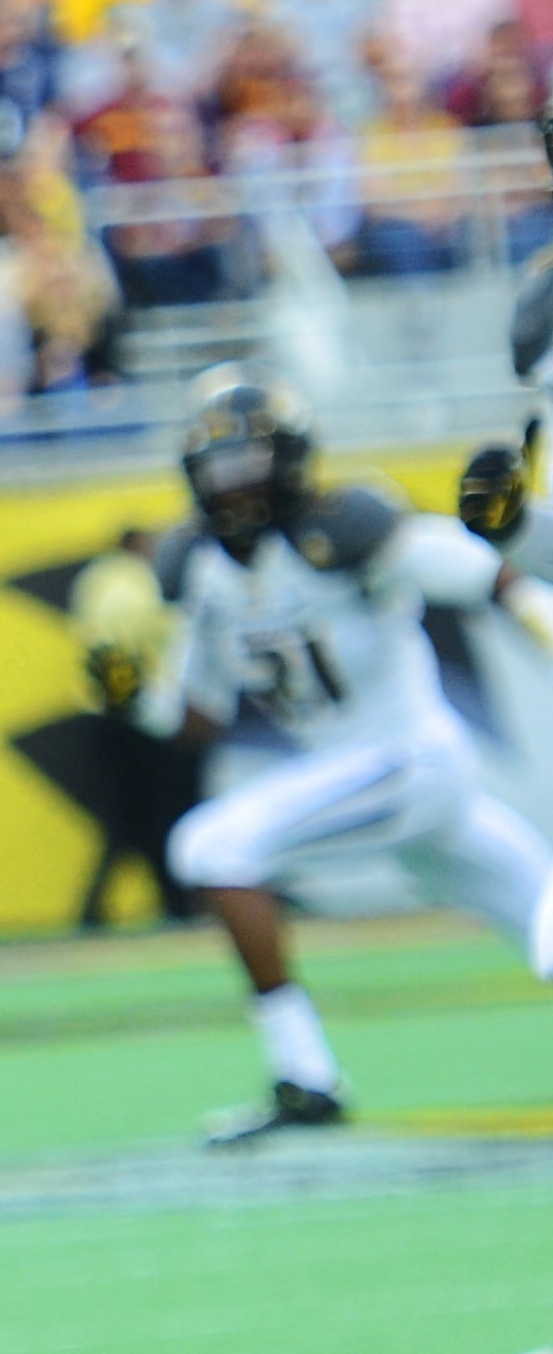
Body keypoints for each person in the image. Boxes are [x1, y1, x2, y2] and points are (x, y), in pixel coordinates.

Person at [147, 370, 553, 1145]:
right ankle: (306, 1081)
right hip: (390, 789)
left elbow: (491, 576)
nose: (233, 490)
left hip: (409, 761)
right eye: (218, 471)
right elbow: (193, 717)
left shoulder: (347, 530)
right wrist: (131, 691)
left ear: (292, 459)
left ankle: (306, 1076)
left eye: (248, 465)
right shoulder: (199, 569)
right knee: (548, 934)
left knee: (211, 845)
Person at [67, 525, 206, 928]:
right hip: (136, 715)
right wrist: (136, 709)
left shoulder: (96, 580)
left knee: (129, 821)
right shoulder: (135, 585)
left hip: (107, 712)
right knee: (152, 816)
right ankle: (172, 903)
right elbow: (121, 655)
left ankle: (116, 908)